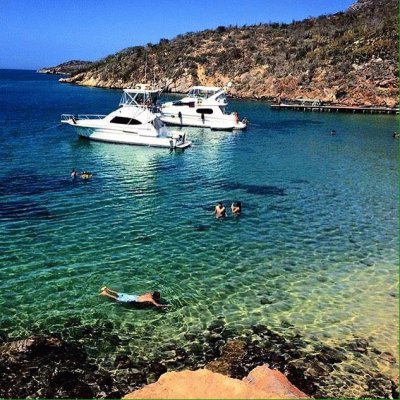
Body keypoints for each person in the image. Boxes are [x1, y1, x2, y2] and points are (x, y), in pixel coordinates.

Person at [100, 287, 168, 308]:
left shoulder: (149, 294)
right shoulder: (151, 299)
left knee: (119, 294)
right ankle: (105, 293)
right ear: (156, 297)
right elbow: (157, 305)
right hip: (133, 299)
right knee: (117, 299)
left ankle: (107, 289)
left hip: (134, 296)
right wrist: (165, 305)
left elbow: (144, 294)